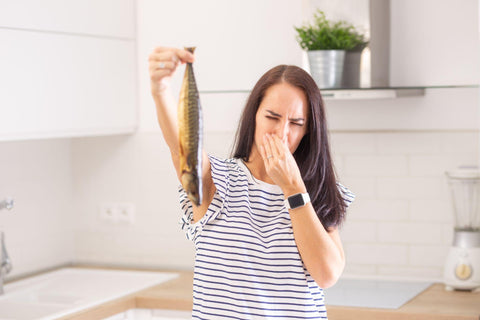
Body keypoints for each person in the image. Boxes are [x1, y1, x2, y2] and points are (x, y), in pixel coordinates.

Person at [149, 46, 355, 320]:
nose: (282, 133)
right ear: (254, 115)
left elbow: (327, 274)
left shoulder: (316, 194)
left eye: (296, 122)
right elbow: (181, 149)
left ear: (308, 130)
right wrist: (160, 90)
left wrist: (294, 189)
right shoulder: (218, 182)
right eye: (272, 117)